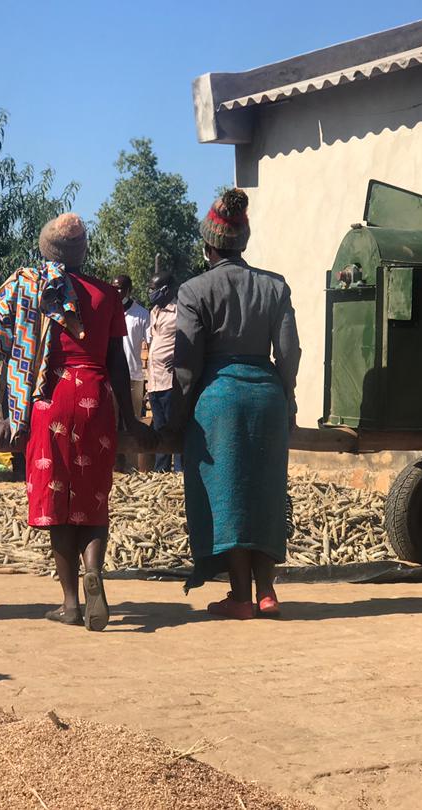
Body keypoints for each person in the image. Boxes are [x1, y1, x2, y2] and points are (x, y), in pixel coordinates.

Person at [0, 213, 153, 631]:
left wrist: (9, 410)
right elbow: (117, 363)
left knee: (57, 504)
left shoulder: (27, 285)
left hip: (49, 400)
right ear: (83, 251)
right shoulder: (106, 294)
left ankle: (71, 602)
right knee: (93, 499)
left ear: (45, 248)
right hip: (95, 398)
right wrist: (130, 419)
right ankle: (94, 571)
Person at [167, 189, 300, 619]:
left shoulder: (193, 291)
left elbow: (186, 365)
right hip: (267, 397)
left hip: (218, 401)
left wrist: (176, 414)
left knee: (229, 497)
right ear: (242, 242)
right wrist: (286, 395)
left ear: (208, 246)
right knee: (264, 492)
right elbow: (290, 352)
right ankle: (267, 593)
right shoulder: (275, 287)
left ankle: (240, 597)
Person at [111, 274, 149, 471]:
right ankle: (112, 467)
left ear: (129, 290)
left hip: (133, 376)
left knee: (131, 421)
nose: (117, 292)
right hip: (110, 378)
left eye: (121, 288)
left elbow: (151, 345)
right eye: (114, 287)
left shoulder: (141, 315)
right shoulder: (107, 311)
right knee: (111, 422)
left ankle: (131, 468)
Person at [146, 272, 182, 473]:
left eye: (154, 288)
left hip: (170, 380)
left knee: (173, 427)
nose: (151, 292)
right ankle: (161, 471)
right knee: (159, 427)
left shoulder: (180, 312)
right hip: (154, 379)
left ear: (166, 290)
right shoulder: (154, 311)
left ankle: (179, 471)